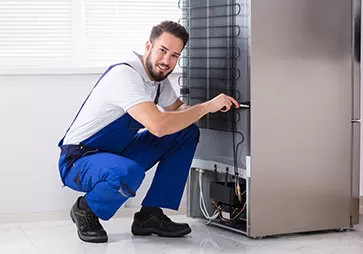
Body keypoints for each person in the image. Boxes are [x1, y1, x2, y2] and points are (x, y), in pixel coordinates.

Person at [57, 20, 239, 243]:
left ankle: (149, 215)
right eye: (163, 50)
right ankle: (86, 209)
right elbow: (159, 126)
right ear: (148, 46)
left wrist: (215, 107)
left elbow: (180, 112)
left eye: (175, 55)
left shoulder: (157, 82)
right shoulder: (125, 75)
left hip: (116, 153)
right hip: (79, 159)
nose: (167, 61)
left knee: (185, 133)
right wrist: (206, 107)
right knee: (128, 172)